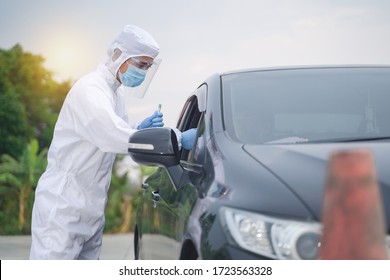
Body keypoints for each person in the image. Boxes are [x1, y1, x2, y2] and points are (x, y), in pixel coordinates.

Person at [29, 24, 196, 259]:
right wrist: (176, 139)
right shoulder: (90, 90)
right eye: (140, 64)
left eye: (148, 67)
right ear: (119, 56)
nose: (143, 72)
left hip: (91, 210)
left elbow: (116, 134)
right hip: (63, 208)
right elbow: (113, 137)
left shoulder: (115, 92)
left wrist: (138, 129)